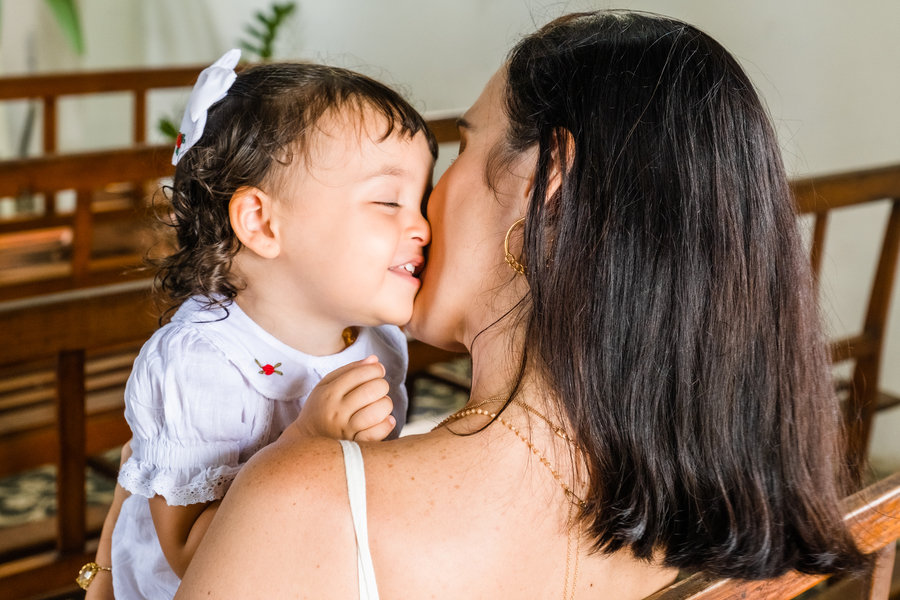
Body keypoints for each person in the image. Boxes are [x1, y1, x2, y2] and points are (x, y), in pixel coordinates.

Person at [176, 11, 867, 599]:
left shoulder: (305, 502)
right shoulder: (731, 512)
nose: (424, 208)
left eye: (462, 146)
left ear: (542, 185)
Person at [79, 51, 436, 599]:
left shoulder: (379, 341)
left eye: (422, 201)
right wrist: (305, 444)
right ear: (262, 223)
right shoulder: (201, 364)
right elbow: (190, 557)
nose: (423, 227)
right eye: (389, 201)